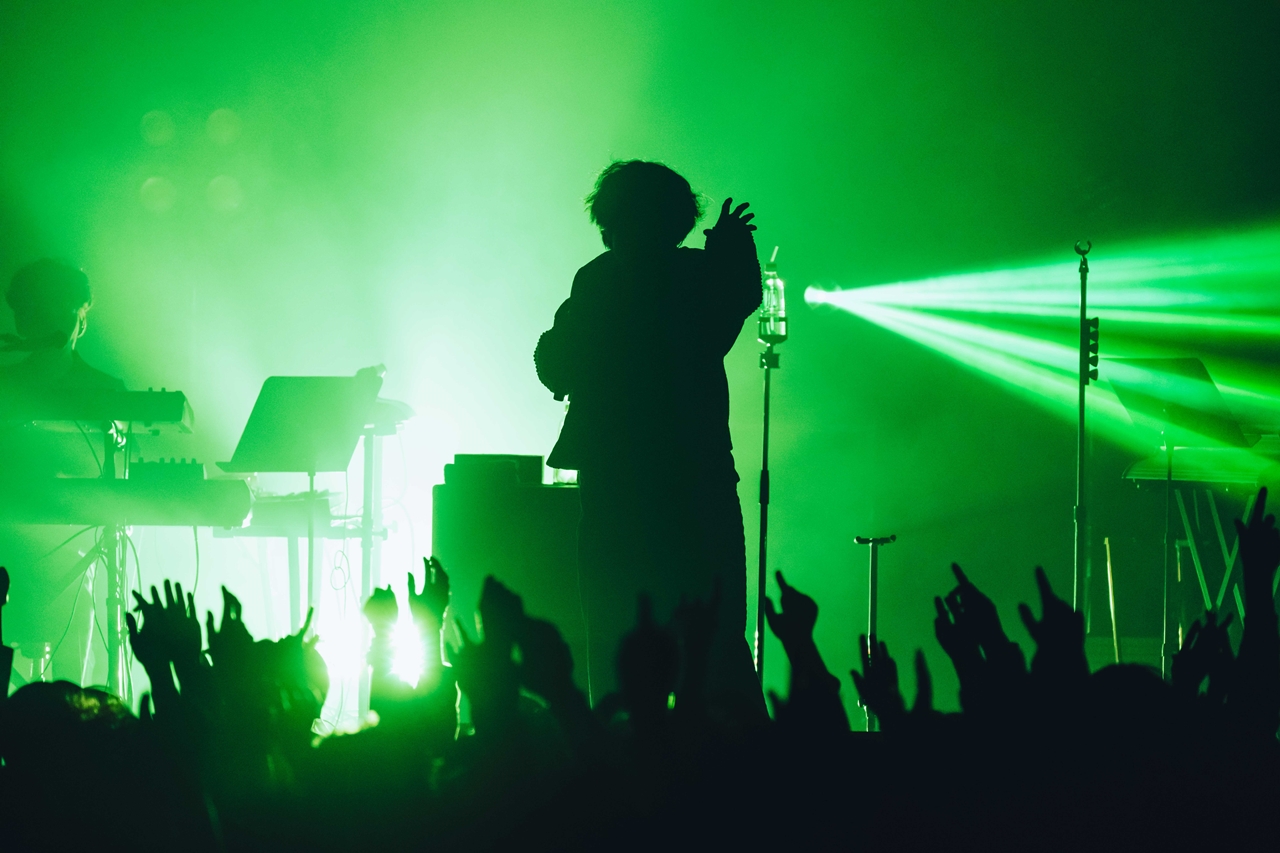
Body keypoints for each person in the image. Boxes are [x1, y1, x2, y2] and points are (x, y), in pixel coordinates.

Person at [534, 161, 763, 715]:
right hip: (697, 479)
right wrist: (730, 252)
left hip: (619, 482)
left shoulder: (597, 281)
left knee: (616, 636)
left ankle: (618, 750)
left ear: (611, 220)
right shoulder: (696, 276)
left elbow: (555, 364)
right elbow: (736, 303)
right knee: (713, 640)